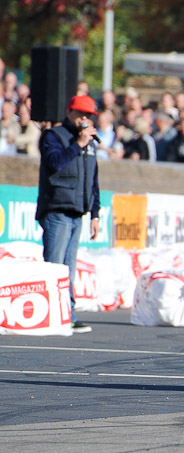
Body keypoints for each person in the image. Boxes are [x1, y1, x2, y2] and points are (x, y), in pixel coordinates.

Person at [36, 94, 102, 334]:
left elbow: (93, 181)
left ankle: (68, 314)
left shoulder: (91, 144)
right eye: (80, 114)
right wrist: (79, 145)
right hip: (57, 210)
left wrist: (95, 213)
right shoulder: (53, 137)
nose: (84, 119)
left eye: (88, 115)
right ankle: (52, 313)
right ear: (69, 112)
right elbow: (55, 163)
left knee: (69, 268)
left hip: (78, 212)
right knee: (55, 265)